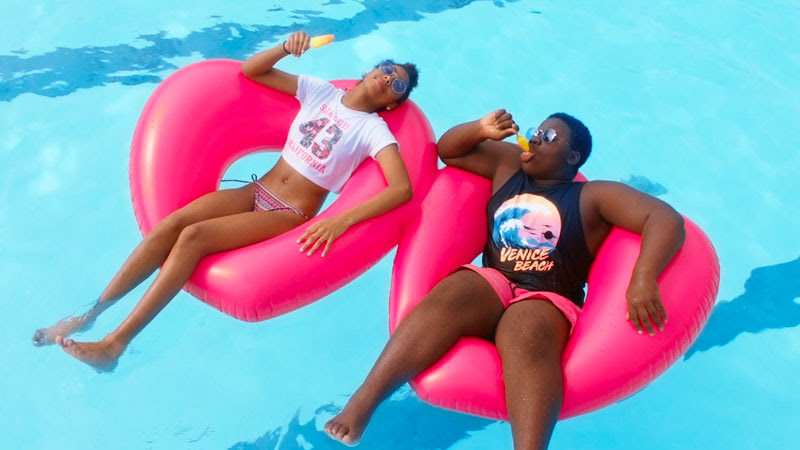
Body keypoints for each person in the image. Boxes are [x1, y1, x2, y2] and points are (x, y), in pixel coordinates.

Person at [32, 31, 421, 372]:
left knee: (193, 237)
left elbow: (401, 188)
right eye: (387, 69)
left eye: (398, 84)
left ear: (392, 103)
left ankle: (115, 343)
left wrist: (342, 220)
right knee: (172, 224)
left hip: (287, 212)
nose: (388, 78)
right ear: (370, 70)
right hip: (255, 191)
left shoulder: (373, 130)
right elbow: (252, 70)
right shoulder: (320, 92)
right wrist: (285, 48)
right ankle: (89, 315)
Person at [324, 110, 685, 449]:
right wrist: (480, 129)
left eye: (548, 136)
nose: (535, 138)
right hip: (494, 282)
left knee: (525, 327)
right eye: (535, 131)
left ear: (572, 158)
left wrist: (643, 277)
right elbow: (449, 150)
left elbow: (663, 219)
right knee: (454, 290)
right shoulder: (508, 167)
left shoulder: (593, 196)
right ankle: (363, 403)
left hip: (548, 296)